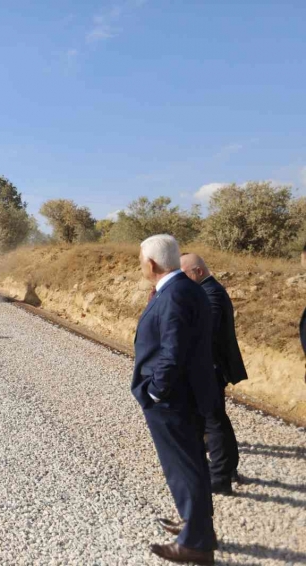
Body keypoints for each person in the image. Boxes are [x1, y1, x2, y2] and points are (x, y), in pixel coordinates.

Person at [132, 235, 220, 564]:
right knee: (191, 464)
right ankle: (196, 527)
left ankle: (195, 543)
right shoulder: (187, 288)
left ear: (151, 264)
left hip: (173, 399)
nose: (141, 264)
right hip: (187, 394)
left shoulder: (175, 294)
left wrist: (155, 391)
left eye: (141, 259)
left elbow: (172, 350)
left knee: (185, 468)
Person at [180, 253, 248, 494]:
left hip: (210, 368)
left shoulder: (211, 293)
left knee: (213, 422)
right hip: (210, 367)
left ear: (198, 272)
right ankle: (227, 469)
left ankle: (219, 476)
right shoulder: (209, 291)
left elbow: (205, 332)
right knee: (217, 420)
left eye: (185, 274)